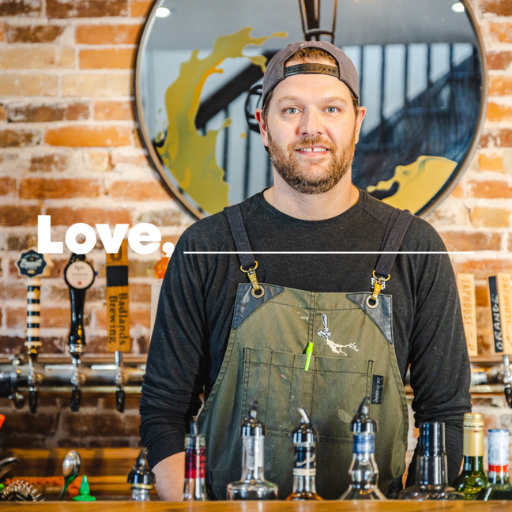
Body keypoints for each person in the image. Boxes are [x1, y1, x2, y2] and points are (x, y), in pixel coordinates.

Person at [140, 41, 471, 501]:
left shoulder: (415, 250)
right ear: (263, 125)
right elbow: (163, 413)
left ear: (357, 123)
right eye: (291, 109)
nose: (311, 128)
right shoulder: (206, 248)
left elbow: (446, 418)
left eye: (331, 108)